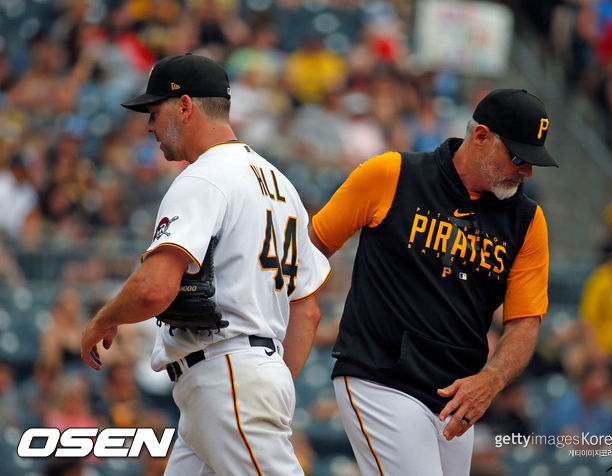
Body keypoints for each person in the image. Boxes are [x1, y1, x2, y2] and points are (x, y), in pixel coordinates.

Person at [81, 53, 330, 475]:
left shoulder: (202, 178)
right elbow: (307, 308)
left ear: (184, 106)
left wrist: (102, 319)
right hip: (235, 381)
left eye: (155, 111)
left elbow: (154, 289)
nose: (148, 125)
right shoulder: (282, 185)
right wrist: (269, 378)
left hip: (227, 375)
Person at [309, 89, 557, 475]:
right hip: (381, 377)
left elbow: (525, 321)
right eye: (519, 157)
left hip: (455, 397)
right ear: (481, 137)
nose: (526, 171)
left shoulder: (526, 221)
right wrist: (297, 314)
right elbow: (310, 249)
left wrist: (491, 380)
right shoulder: (392, 174)